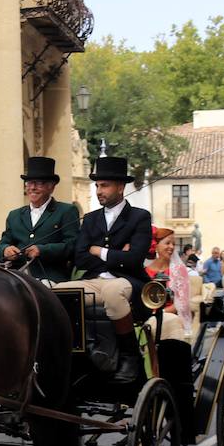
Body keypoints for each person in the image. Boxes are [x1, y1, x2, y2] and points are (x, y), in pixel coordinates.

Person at [67, 156, 153, 382]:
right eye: (97, 185)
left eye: (104, 185)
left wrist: (99, 251)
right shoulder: (91, 219)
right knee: (58, 290)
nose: (98, 191)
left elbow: (134, 260)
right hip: (94, 280)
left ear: (120, 187)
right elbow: (81, 258)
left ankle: (129, 356)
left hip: (129, 282)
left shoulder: (139, 217)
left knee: (113, 292)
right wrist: (118, 254)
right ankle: (77, 354)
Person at [0, 157, 81, 283]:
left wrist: (43, 251)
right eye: (29, 183)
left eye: (38, 183)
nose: (32, 187)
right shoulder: (15, 215)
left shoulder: (66, 211)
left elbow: (72, 245)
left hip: (50, 278)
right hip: (17, 277)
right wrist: (5, 250)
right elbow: (0, 247)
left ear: (51, 187)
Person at [143, 227, 192, 342]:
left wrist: (160, 314)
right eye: (167, 243)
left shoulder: (179, 270)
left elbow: (182, 303)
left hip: (172, 317)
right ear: (156, 245)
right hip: (147, 316)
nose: (171, 247)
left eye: (173, 244)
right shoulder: (145, 271)